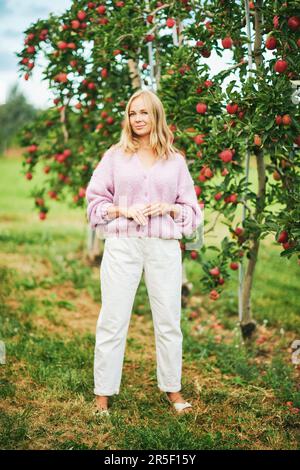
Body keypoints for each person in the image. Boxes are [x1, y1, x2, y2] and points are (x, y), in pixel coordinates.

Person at [86, 88, 203, 416]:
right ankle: (102, 396)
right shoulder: (115, 156)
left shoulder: (175, 160)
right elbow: (95, 201)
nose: (137, 119)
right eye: (132, 113)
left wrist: (168, 207)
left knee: (169, 321)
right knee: (113, 319)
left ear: (156, 116)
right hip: (123, 245)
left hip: (163, 248)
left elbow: (192, 211)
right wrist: (124, 210)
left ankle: (173, 390)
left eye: (144, 113)